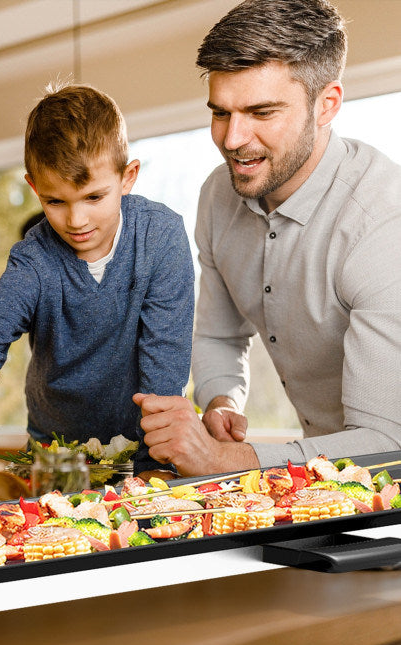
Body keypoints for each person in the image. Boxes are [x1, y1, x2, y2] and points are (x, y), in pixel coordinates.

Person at [134, 0, 401, 476]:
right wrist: (220, 402)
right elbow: (219, 332)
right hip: (327, 478)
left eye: (261, 112)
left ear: (327, 104)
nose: (233, 138)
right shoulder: (219, 196)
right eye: (221, 112)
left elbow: (387, 444)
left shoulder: (383, 221)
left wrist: (225, 460)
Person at [0, 83, 195, 478]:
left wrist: (157, 464)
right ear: (34, 187)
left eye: (93, 198)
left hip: (143, 450)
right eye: (55, 201)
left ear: (128, 177)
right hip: (53, 451)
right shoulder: (33, 260)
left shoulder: (161, 237)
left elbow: (165, 362)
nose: (76, 221)